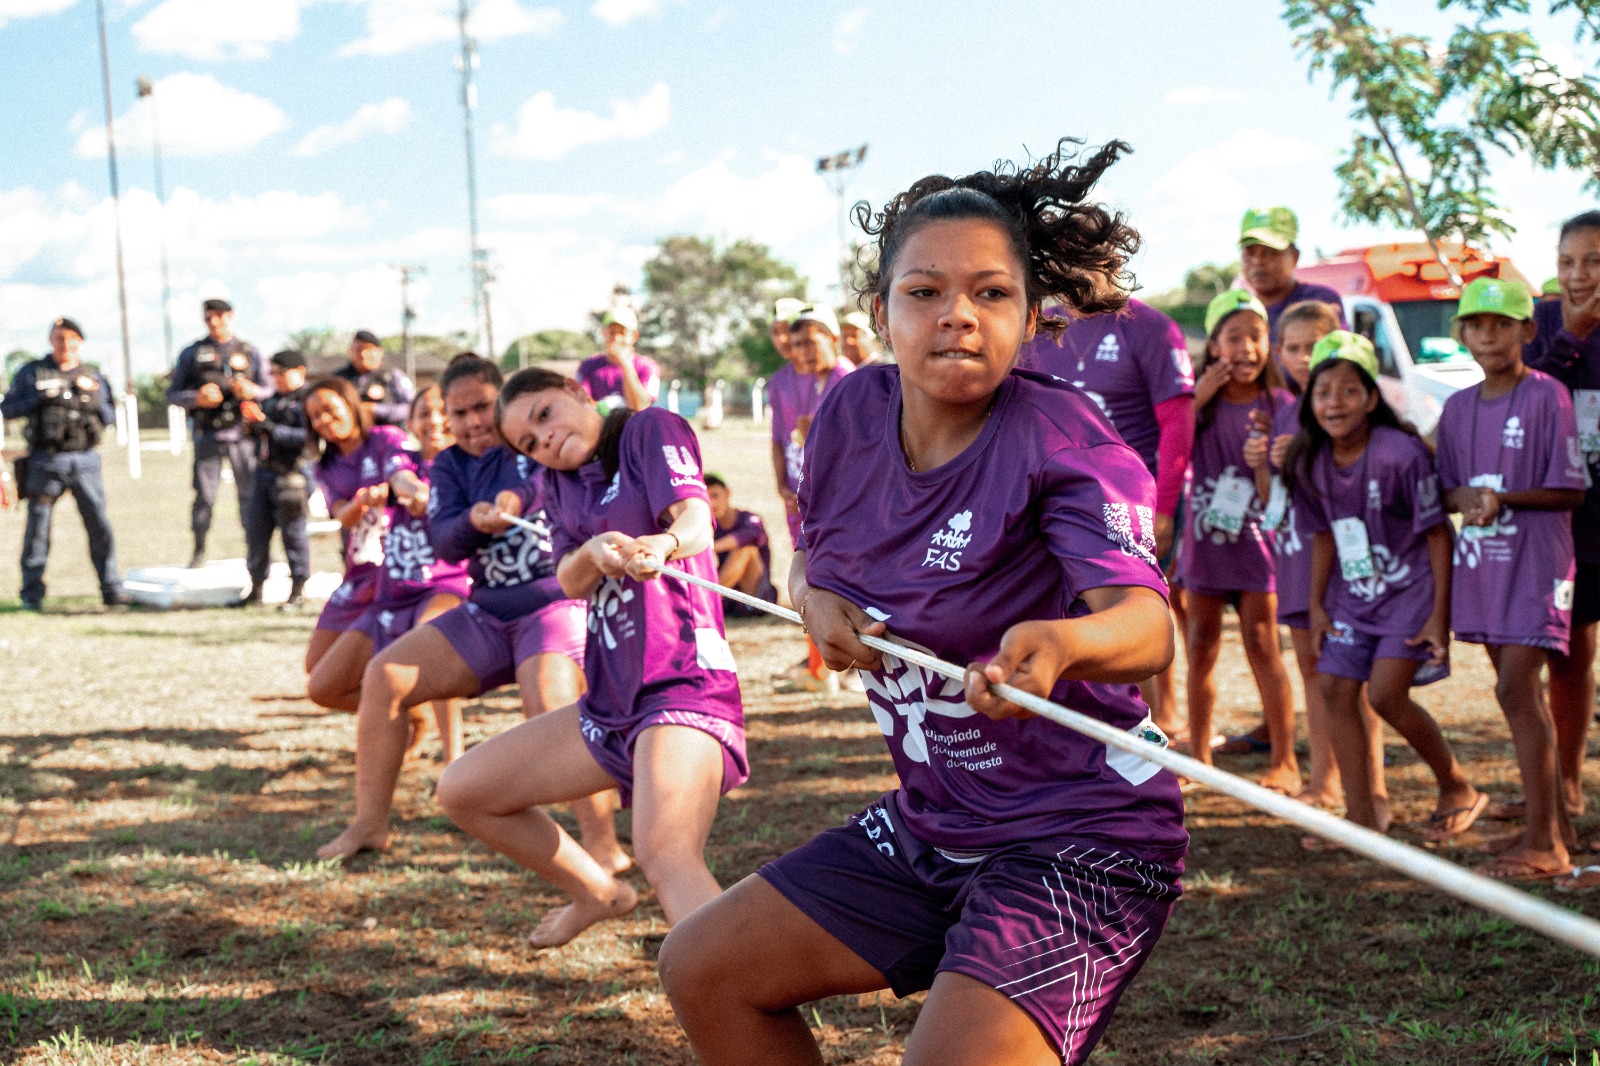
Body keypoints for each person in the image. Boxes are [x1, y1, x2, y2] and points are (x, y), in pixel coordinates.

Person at [660, 140, 1185, 1066]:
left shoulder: (1066, 435)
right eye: (925, 292)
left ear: (1029, 319)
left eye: (991, 293)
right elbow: (814, 560)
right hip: (933, 823)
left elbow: (1148, 629)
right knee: (704, 967)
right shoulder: (851, 416)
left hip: (1078, 837)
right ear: (879, 312)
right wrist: (810, 595)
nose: (958, 318)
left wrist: (1063, 643)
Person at [436, 367, 747, 950]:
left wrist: (664, 544)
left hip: (682, 684)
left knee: (664, 853)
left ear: (579, 394)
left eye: (545, 415)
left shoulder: (647, 430)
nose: (544, 440)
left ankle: (748, 1010)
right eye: (528, 443)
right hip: (610, 703)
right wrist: (593, 553)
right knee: (464, 790)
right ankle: (597, 892)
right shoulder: (559, 483)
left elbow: (696, 519)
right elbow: (569, 579)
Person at [315, 355, 623, 868]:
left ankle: (602, 842)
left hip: (553, 603)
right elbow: (444, 541)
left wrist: (517, 498)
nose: (473, 422)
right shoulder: (452, 464)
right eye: (459, 414)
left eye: (482, 407)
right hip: (486, 611)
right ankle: (369, 822)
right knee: (385, 675)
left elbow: (543, 483)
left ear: (502, 403)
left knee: (549, 698)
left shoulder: (535, 443)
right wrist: (474, 524)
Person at [1287, 332, 1485, 844]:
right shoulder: (1308, 461)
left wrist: (1439, 615)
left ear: (1373, 399)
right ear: (1310, 400)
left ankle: (1456, 785)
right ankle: (1362, 819)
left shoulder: (1399, 454)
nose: (1335, 402)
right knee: (1332, 687)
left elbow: (1439, 532)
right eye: (1323, 391)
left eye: (1350, 391)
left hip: (1411, 594)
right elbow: (1325, 536)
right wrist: (1316, 606)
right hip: (1355, 595)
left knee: (1386, 694)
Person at [1437, 278, 1583, 881]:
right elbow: (1445, 488)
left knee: (1515, 691)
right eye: (1476, 324)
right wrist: (1467, 496)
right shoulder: (1456, 407)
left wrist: (1505, 498)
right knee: (1517, 692)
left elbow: (1570, 489)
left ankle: (1545, 843)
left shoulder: (1548, 395)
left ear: (1528, 329)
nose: (1488, 335)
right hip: (1483, 569)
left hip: (1537, 568)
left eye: (1502, 324)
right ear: (1463, 333)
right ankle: (1561, 828)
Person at [1020, 296, 1194, 736]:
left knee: (1137, 613)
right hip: (1057, 501)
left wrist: (1164, 507)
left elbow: (1178, 421)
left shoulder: (1150, 326)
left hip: (1129, 500)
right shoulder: (1036, 323)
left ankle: (1158, 730)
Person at [1245, 303, 1387, 813]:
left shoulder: (1339, 410)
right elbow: (1271, 499)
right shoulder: (1285, 408)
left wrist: (1298, 454)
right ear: (1278, 353)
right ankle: (1326, 780)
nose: (1305, 358)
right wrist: (1262, 463)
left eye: (1314, 346)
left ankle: (1366, 789)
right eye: (1294, 348)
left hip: (1340, 562)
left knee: (1350, 676)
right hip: (1294, 554)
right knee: (1313, 670)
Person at [305, 385, 472, 755]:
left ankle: (454, 757)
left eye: (445, 412)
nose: (435, 421)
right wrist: (398, 492)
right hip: (384, 585)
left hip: (443, 584)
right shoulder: (399, 460)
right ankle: (410, 714)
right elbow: (397, 480)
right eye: (424, 414)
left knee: (433, 640)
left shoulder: (470, 465)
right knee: (321, 684)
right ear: (411, 423)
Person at [1178, 289, 1300, 793]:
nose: (1247, 349)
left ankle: (1287, 758)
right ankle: (1199, 756)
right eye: (1234, 338)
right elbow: (1169, 448)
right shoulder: (1194, 404)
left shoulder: (1283, 404)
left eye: (1256, 337)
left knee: (1263, 644)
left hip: (1258, 545)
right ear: (1214, 346)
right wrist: (1196, 398)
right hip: (1205, 544)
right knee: (1200, 645)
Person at [1524, 210, 1600, 847]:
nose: (1579, 275)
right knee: (1569, 656)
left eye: (1594, 261)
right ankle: (1566, 785)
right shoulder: (1545, 322)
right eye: (1568, 261)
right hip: (1568, 524)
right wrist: (1571, 335)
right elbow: (1524, 397)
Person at [0, 317, 122, 611]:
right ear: (51, 340)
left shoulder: (92, 375)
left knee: (99, 527)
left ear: (80, 341)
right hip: (46, 461)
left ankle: (111, 589)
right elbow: (8, 408)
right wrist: (40, 397)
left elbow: (110, 415)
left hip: (85, 461)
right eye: (58, 338)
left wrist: (89, 396)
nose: (65, 344)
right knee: (37, 531)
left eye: (70, 338)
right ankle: (31, 594)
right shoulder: (33, 373)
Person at [768, 305, 854, 691]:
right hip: (805, 500)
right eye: (796, 342)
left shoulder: (847, 379)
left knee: (837, 579)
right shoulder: (803, 380)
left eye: (810, 341)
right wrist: (784, 485)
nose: (800, 350)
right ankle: (821, 668)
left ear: (833, 339)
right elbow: (784, 438)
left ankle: (841, 667)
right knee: (810, 578)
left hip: (838, 502)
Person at [303, 376, 410, 675]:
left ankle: (402, 709)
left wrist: (392, 489)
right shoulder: (324, 466)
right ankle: (392, 711)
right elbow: (342, 516)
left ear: (349, 403)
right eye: (314, 417)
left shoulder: (387, 439)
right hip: (360, 572)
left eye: (328, 408)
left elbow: (409, 478)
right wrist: (360, 502)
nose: (323, 420)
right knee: (316, 665)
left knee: (387, 660)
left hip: (399, 568)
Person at [168, 298, 271, 568]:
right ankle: (199, 550)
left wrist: (253, 392)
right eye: (209, 318)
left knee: (250, 496)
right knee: (204, 496)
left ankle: (255, 551)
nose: (214, 323)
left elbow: (270, 388)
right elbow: (173, 394)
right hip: (209, 434)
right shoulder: (192, 353)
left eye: (220, 317)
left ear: (231, 317)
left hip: (243, 435)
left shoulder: (249, 351)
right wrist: (196, 398)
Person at [237, 351, 313, 609]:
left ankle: (298, 590)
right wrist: (252, 428)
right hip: (263, 473)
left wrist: (270, 428)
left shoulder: (308, 402)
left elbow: (307, 438)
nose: (277, 378)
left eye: (282, 373)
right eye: (274, 373)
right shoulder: (271, 401)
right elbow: (260, 436)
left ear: (299, 372)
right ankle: (256, 587)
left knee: (293, 534)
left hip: (292, 475)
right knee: (256, 532)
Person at [1237, 206, 1347, 346]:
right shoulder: (1238, 311)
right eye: (1250, 253)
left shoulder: (1319, 301)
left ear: (1294, 257)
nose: (1258, 261)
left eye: (1270, 253)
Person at [705, 473, 777, 614]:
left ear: (727, 493)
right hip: (731, 597)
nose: (712, 503)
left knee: (745, 550)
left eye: (715, 496)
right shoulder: (709, 526)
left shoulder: (750, 519)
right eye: (707, 498)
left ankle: (707, 601)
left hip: (758, 596)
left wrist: (710, 547)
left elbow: (749, 535)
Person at [575, 307, 660, 412]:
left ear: (634, 336)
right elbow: (580, 404)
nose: (616, 338)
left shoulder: (648, 367)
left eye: (622, 333)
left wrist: (626, 365)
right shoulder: (588, 366)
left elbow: (641, 406)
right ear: (604, 333)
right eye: (612, 332)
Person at [336, 330, 416, 427]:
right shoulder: (339, 379)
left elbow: (410, 407)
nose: (363, 354)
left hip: (387, 436)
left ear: (380, 352)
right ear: (351, 351)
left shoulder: (393, 375)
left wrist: (375, 410)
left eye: (369, 349)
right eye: (358, 349)